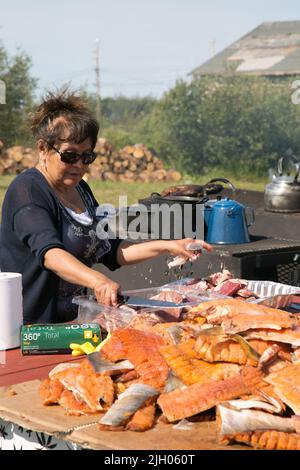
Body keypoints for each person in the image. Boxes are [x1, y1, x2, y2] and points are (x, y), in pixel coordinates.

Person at [0, 89, 212, 324]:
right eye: (70, 155)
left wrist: (169, 246)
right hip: (28, 327)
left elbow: (111, 250)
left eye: (87, 157)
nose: (79, 165)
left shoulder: (81, 190)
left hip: (71, 322)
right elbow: (50, 254)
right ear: (43, 149)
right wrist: (98, 280)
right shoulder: (28, 191)